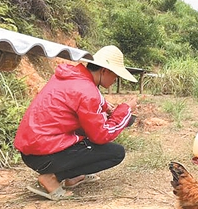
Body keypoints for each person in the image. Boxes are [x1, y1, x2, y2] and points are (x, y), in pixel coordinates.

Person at [14, 45, 138, 200]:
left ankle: (72, 177)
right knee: (115, 153)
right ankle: (52, 177)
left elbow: (81, 100)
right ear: (104, 71)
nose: (115, 80)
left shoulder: (71, 77)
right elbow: (102, 135)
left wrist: (106, 107)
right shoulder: (88, 92)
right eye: (116, 76)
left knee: (85, 132)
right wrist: (125, 110)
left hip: (32, 151)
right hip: (44, 155)